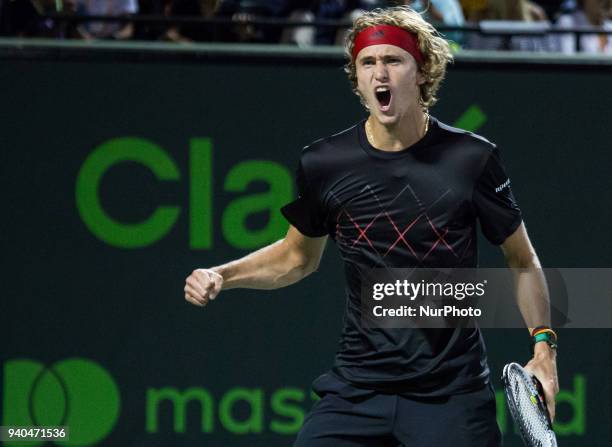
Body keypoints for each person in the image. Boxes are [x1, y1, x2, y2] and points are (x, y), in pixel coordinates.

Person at [184, 6, 559, 446]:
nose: (380, 73)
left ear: (422, 71)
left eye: (393, 61)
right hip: (357, 391)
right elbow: (295, 258)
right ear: (357, 79)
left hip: (451, 396)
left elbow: (521, 258)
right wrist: (221, 275)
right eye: (368, 63)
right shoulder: (324, 163)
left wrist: (544, 347)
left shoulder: (472, 159)